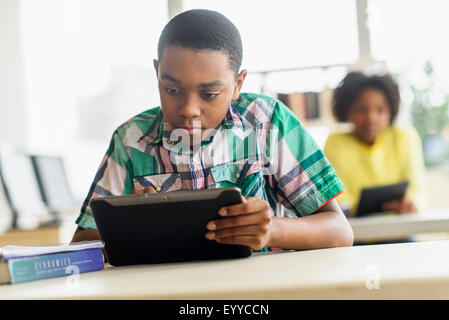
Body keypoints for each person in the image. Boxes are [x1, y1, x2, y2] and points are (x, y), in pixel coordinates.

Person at [72, 9, 353, 252]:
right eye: (171, 90)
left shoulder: (269, 123)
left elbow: (339, 231)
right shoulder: (131, 141)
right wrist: (126, 227)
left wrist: (272, 231)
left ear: (238, 84)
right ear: (157, 72)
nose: (189, 109)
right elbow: (82, 244)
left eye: (209, 94)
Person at [324, 72, 427, 217]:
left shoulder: (404, 137)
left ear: (391, 110)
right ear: (347, 110)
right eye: (361, 110)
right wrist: (349, 209)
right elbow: (334, 198)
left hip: (401, 229)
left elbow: (417, 189)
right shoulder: (335, 142)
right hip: (355, 234)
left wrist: (411, 203)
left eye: (380, 110)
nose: (371, 118)